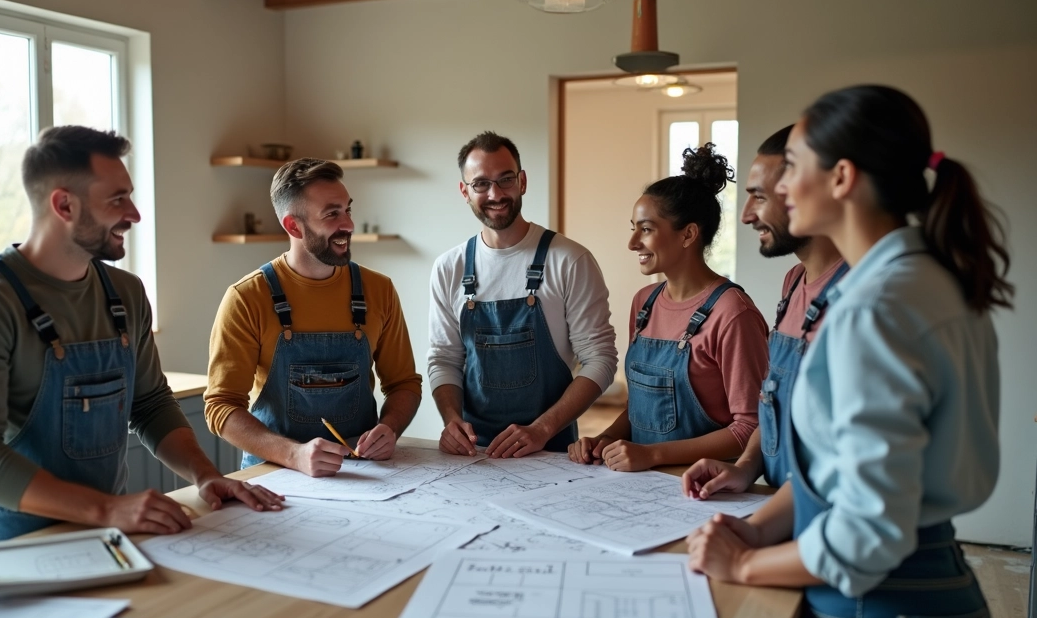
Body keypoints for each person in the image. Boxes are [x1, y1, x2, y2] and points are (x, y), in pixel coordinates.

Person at [687, 85, 1010, 618]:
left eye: (793, 164)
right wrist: (753, 529)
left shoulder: (872, 310)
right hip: (927, 598)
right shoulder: (925, 276)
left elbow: (866, 535)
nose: (780, 185)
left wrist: (745, 567)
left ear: (842, 178)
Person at [0, 126, 283, 544]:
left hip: (112, 534)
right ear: (63, 204)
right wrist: (107, 509)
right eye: (117, 200)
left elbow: (150, 405)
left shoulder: (125, 293)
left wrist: (206, 476)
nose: (134, 214)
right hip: (17, 544)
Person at [205, 158, 422, 477]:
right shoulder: (247, 298)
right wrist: (293, 454)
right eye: (332, 214)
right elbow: (221, 407)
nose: (348, 224)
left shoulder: (380, 290)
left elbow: (404, 384)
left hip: (362, 472)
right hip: (275, 475)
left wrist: (389, 429)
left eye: (348, 209)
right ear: (293, 226)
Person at [569, 143, 769, 472]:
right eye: (633, 229)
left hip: (701, 489)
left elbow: (750, 428)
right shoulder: (644, 302)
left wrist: (654, 455)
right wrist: (604, 439)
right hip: (639, 483)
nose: (633, 243)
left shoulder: (733, 313)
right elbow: (642, 405)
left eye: (646, 229)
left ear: (688, 234)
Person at [428, 131, 617, 458]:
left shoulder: (570, 260)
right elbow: (444, 359)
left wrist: (542, 429)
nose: (495, 193)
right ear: (464, 191)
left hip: (553, 450)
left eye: (506, 180)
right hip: (473, 455)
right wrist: (452, 421)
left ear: (523, 181)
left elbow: (601, 359)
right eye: (481, 184)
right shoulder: (449, 268)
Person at [682, 126, 846, 495]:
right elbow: (771, 403)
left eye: (759, 197)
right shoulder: (792, 282)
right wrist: (743, 469)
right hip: (780, 503)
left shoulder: (859, 296)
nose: (745, 216)